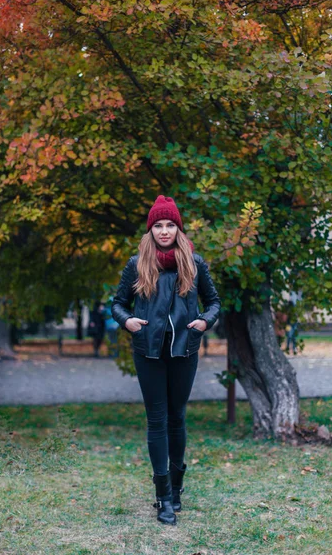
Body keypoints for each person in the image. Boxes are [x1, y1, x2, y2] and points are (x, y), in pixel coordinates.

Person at [111, 195, 220, 526]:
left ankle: (177, 488)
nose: (164, 231)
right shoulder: (137, 263)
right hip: (149, 352)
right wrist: (127, 322)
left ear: (178, 228)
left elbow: (213, 302)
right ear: (150, 230)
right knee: (156, 420)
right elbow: (117, 303)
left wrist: (204, 321)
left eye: (170, 224)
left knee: (178, 418)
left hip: (184, 351)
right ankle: (163, 498)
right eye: (158, 225)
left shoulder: (195, 262)